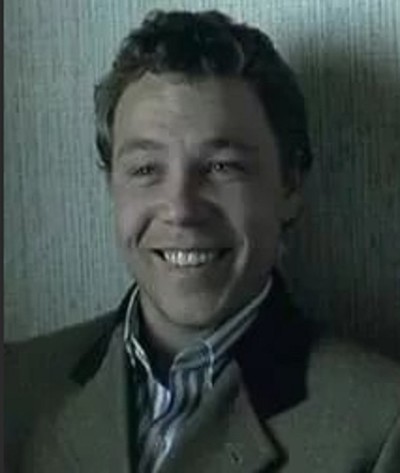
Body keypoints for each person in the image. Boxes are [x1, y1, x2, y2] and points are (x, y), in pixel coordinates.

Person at [5, 9, 400, 473]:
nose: (181, 209)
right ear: (111, 184)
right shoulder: (17, 385)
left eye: (221, 167)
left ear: (290, 186)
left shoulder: (380, 426)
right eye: (146, 169)